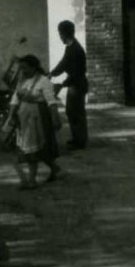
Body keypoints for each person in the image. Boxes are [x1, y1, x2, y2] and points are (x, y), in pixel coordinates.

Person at [11, 54, 63, 189]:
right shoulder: (22, 80)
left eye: (26, 69)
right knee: (34, 148)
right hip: (24, 119)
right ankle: (54, 168)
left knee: (34, 148)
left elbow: (51, 102)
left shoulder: (44, 81)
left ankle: (31, 180)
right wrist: (11, 115)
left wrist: (55, 118)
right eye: (21, 69)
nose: (23, 72)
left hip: (38, 118)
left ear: (34, 67)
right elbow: (15, 99)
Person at [50, 20, 89, 150]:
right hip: (74, 84)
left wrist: (62, 84)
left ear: (64, 33)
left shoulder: (76, 50)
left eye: (60, 34)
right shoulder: (70, 47)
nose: (60, 37)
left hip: (77, 84)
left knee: (76, 112)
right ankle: (77, 139)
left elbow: (76, 73)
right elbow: (63, 63)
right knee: (72, 111)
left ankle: (80, 141)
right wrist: (52, 73)